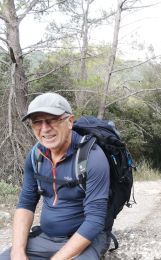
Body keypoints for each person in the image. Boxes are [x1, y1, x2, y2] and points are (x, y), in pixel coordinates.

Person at [0, 92, 110, 260]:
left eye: (51, 120)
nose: (44, 129)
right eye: (37, 122)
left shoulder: (92, 157)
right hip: (46, 238)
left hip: (85, 240)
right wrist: (17, 252)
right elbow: (26, 204)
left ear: (70, 121)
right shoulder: (35, 155)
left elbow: (95, 220)